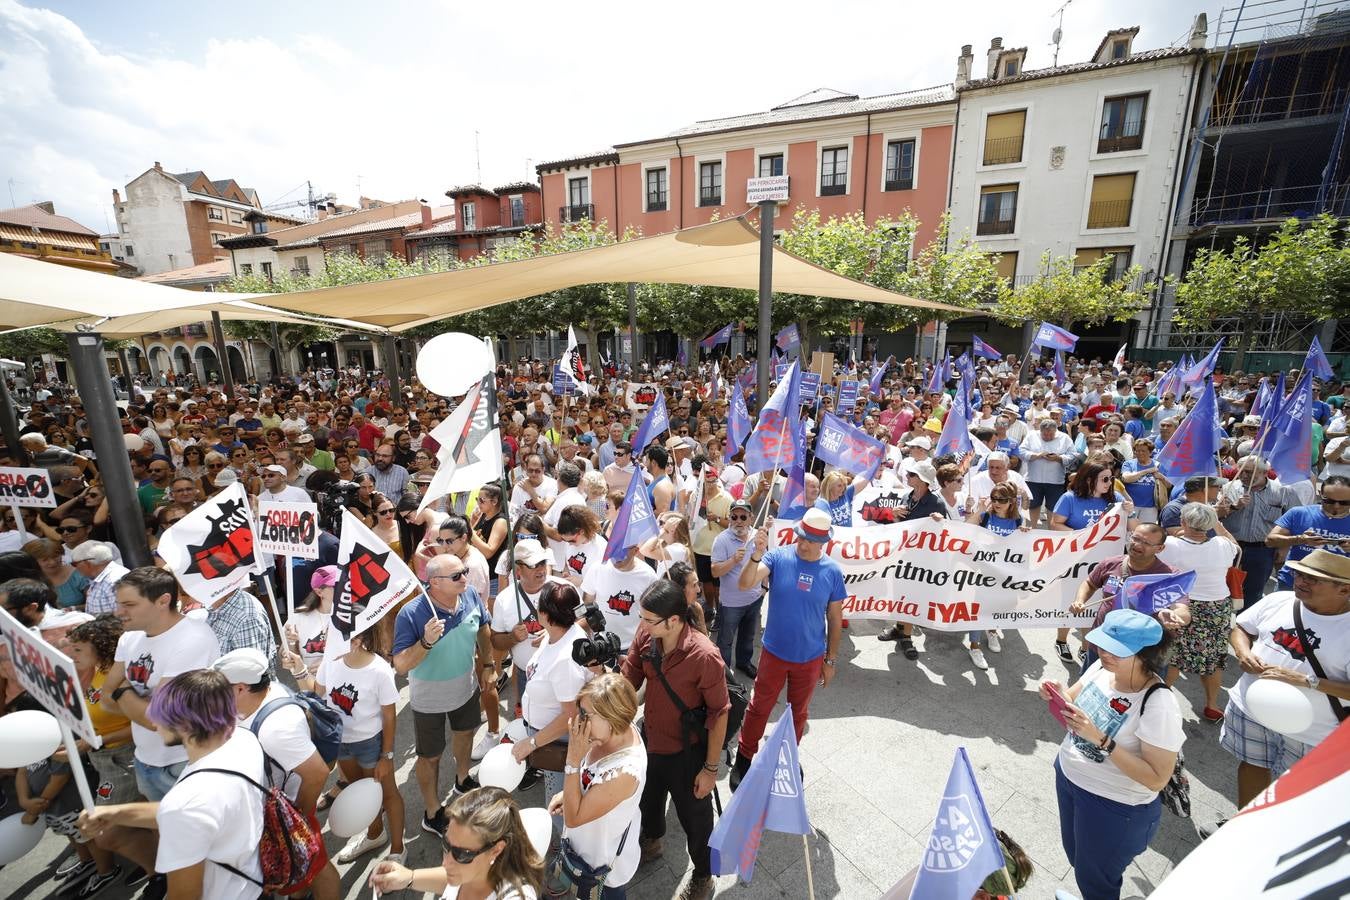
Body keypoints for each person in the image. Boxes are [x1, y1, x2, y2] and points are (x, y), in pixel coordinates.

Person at [80, 669, 266, 900]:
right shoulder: (242, 740)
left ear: (185, 723)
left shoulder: (187, 803)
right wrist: (115, 813)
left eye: (160, 714)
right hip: (252, 884)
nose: (154, 722)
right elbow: (186, 812)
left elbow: (184, 895)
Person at [1041, 609, 1183, 900]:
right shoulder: (1102, 669)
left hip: (1114, 807)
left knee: (1098, 881)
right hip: (1070, 782)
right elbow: (1073, 699)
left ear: (1145, 654)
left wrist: (1101, 739)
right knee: (1079, 860)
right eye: (1102, 644)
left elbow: (1157, 779)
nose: (1103, 653)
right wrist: (1058, 693)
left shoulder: (1159, 703)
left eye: (1116, 650)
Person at [621, 580, 728, 900]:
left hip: (688, 753)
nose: (642, 625)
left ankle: (704, 875)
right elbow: (628, 681)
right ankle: (651, 841)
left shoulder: (704, 655)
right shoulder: (646, 636)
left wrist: (710, 770)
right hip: (649, 742)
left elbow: (719, 713)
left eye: (649, 619)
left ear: (674, 621)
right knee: (647, 803)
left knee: (696, 821)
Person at [1219, 549, 1350, 808]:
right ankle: (1244, 827)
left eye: (1313, 579)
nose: (1301, 581)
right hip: (1251, 711)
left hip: (1315, 732)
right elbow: (1242, 628)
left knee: (1299, 795)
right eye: (1300, 574)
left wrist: (1307, 681)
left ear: (1344, 590)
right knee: (1252, 765)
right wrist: (1243, 652)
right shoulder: (1279, 599)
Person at [211, 648, 343, 899]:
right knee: (302, 866)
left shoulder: (276, 729)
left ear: (240, 688)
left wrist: (299, 818)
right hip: (278, 810)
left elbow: (317, 773)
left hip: (289, 811)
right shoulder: (267, 688)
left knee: (316, 867)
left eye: (220, 689)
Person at [731, 508, 846, 789]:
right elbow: (745, 582)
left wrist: (830, 661)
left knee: (798, 712)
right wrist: (756, 553)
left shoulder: (832, 571)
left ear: (824, 543)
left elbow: (834, 618)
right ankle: (744, 756)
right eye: (800, 537)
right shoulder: (778, 556)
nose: (802, 544)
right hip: (774, 653)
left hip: (810, 658)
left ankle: (788, 756)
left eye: (809, 540)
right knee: (759, 707)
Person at [393, 552, 494, 835]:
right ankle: (433, 811)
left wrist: (488, 664)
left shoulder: (471, 594)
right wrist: (426, 642)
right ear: (434, 582)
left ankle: (462, 779)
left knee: (465, 734)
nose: (465, 577)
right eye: (456, 575)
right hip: (429, 700)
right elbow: (400, 664)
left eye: (464, 571)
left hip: (466, 688)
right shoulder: (412, 613)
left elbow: (483, 628)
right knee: (430, 757)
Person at [289, 625, 406, 867]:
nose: (328, 647)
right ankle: (375, 834)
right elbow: (316, 693)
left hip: (372, 744)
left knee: (387, 794)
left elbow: (390, 717)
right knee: (360, 791)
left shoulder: (379, 670)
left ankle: (397, 850)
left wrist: (387, 755)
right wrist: (299, 669)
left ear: (357, 641)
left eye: (334, 640)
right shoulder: (331, 662)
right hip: (341, 742)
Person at [544, 674, 647, 900]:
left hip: (601, 867)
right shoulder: (607, 734)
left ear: (612, 718)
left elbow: (574, 818)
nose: (577, 721)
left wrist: (572, 761)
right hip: (581, 845)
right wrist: (570, 792)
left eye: (585, 714)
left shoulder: (625, 772)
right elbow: (592, 780)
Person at [510, 582, 595, 837]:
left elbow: (570, 715)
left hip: (559, 742)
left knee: (559, 803)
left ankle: (565, 847)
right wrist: (547, 638)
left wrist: (532, 742)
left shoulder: (564, 661)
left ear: (546, 615)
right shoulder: (561, 633)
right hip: (549, 736)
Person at [61, 615, 134, 897]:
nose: (72, 654)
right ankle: (153, 868)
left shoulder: (118, 678)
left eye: (78, 649)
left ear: (100, 647)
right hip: (104, 758)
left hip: (122, 759)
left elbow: (140, 725)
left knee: (102, 826)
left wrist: (95, 741)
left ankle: (152, 868)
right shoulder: (100, 671)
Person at [368, 787, 545, 899]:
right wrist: (410, 878)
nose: (446, 862)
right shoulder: (472, 871)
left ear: (496, 849)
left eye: (462, 854)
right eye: (447, 845)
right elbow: (453, 883)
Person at [1159, 503, 1238, 721]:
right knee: (1212, 660)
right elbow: (1233, 544)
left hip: (1181, 605)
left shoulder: (1171, 546)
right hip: (1216, 608)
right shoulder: (1223, 545)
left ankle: (1155, 702)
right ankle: (1212, 706)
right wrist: (1218, 524)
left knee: (1172, 657)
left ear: (1183, 522)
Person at [1220, 454, 1292, 608]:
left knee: (1253, 592)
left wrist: (1284, 547)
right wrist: (1234, 507)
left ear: (1265, 473)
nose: (1245, 476)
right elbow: (1216, 515)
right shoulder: (1229, 487)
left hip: (1262, 550)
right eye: (1242, 471)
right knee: (1224, 589)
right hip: (1231, 548)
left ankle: (1245, 627)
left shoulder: (1282, 491)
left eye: (1250, 472)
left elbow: (1292, 521)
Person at [1266, 475, 1350, 589]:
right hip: (1292, 583)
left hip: (1335, 590)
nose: (1336, 506)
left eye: (1344, 503)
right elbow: (1270, 541)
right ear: (1320, 494)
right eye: (1329, 501)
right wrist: (1300, 539)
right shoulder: (1299, 513)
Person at [710, 499, 762, 678]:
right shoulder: (722, 540)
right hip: (731, 602)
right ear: (729, 518)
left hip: (754, 599)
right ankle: (724, 674)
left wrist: (764, 588)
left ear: (750, 518)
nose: (738, 520)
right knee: (725, 640)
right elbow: (715, 572)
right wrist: (733, 560)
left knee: (748, 636)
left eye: (743, 516)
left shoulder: (757, 536)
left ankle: (743, 663)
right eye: (734, 516)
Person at [581, 542, 657, 653]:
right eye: (613, 552)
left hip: (631, 646)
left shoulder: (648, 576)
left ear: (635, 550)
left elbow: (652, 614)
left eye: (622, 554)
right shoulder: (597, 568)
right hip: (600, 643)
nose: (616, 559)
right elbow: (587, 604)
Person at [1021, 418, 1075, 526]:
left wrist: (1059, 458)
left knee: (1053, 508)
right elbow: (1021, 451)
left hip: (1055, 481)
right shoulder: (1031, 435)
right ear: (1040, 431)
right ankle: (1032, 530)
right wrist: (1036, 455)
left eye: (1051, 435)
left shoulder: (1064, 437)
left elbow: (1073, 455)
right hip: (1033, 479)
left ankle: (1051, 533)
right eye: (1045, 435)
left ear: (1056, 431)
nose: (1048, 437)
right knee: (1033, 505)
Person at [70, 540, 128, 616]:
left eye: (74, 564)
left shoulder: (113, 581)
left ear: (87, 563)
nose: (75, 568)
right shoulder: (100, 578)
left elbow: (124, 616)